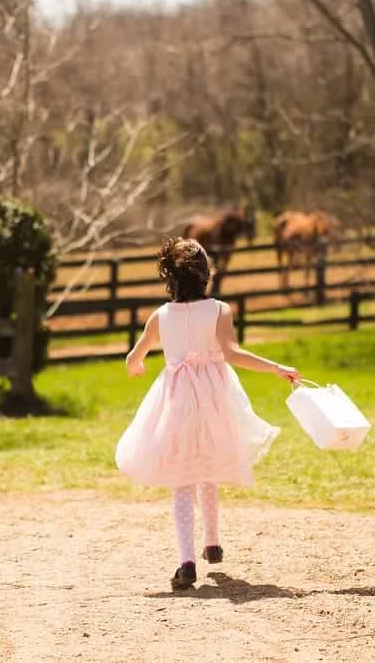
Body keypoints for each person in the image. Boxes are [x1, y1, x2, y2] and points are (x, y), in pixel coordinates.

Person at [116, 237, 300, 589]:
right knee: (209, 466)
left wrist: (136, 366)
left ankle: (186, 562)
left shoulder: (161, 315)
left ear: (170, 278)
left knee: (182, 478)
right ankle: (212, 542)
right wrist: (276, 367)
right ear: (205, 275)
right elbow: (233, 354)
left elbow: (133, 358)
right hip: (215, 399)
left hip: (176, 402)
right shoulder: (219, 310)